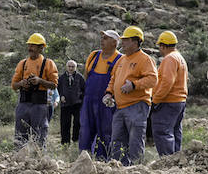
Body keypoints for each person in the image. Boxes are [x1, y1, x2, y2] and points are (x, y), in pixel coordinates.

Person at [103, 26, 157, 165]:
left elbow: (152, 79)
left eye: (126, 41)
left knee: (135, 141)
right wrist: (109, 93)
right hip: (120, 107)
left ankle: (135, 171)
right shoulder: (121, 60)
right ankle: (118, 170)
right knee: (117, 141)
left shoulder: (145, 59)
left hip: (137, 106)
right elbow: (113, 79)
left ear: (135, 42)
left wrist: (134, 85)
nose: (123, 43)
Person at [78, 29, 122, 159]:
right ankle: (83, 158)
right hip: (89, 100)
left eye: (106, 38)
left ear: (114, 43)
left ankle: (104, 160)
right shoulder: (93, 56)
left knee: (106, 131)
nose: (102, 40)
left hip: (107, 102)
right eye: (102, 37)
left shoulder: (120, 59)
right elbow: (87, 76)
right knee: (85, 129)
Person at [11, 33, 58, 149]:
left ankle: (40, 159)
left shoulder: (48, 63)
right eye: (29, 45)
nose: (30, 48)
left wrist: (40, 81)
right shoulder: (22, 64)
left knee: (40, 135)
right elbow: (14, 85)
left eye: (33, 45)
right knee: (20, 135)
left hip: (40, 105)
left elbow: (54, 84)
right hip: (23, 103)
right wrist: (22, 83)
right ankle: (19, 158)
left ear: (41, 48)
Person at [151, 31, 188, 156]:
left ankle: (167, 162)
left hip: (169, 101)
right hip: (179, 101)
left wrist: (155, 100)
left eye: (159, 46)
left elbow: (167, 82)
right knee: (175, 131)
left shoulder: (169, 59)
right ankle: (176, 161)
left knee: (162, 132)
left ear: (163, 45)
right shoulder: (179, 57)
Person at [57, 60, 84, 144]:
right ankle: (65, 143)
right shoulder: (61, 77)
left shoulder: (80, 77)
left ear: (75, 67)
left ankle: (76, 140)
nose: (71, 68)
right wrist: (61, 96)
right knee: (65, 124)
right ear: (66, 67)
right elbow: (58, 89)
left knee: (77, 122)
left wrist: (81, 99)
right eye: (69, 66)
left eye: (73, 67)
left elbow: (84, 89)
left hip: (77, 104)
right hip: (65, 104)